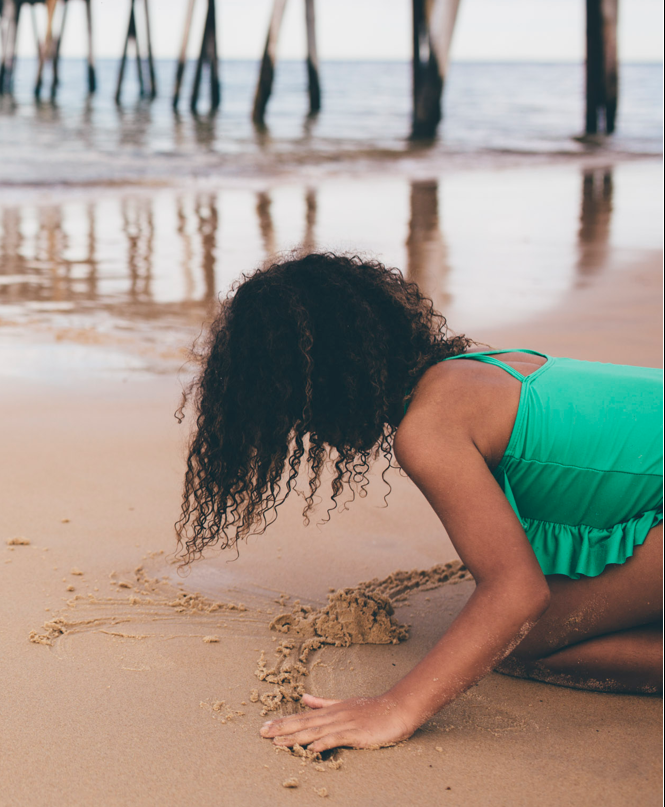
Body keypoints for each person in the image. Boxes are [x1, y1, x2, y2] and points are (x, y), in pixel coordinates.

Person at [177, 253, 662, 753]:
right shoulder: (478, 368)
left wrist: (396, 707)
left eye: (294, 413)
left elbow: (518, 594)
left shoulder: (428, 430)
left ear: (321, 387)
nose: (306, 431)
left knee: (526, 642)